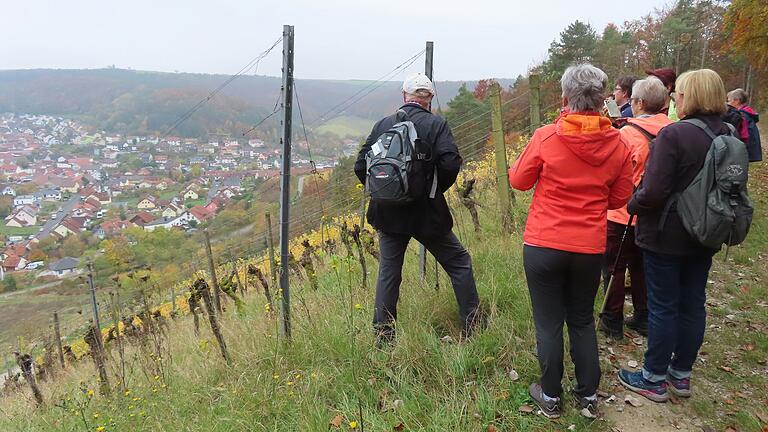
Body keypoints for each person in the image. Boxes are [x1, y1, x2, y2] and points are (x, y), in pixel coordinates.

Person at [509, 64, 633, 419]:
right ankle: (588, 396)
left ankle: (550, 397)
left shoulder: (546, 136)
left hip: (544, 243)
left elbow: (518, 180)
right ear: (602, 99)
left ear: (565, 98)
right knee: (580, 320)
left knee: (548, 321)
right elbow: (619, 198)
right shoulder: (619, 143)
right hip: (589, 247)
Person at [618, 69, 729, 402]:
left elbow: (653, 191)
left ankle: (652, 377)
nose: (674, 99)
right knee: (692, 303)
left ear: (689, 97)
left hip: (667, 234)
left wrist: (632, 201)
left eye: (678, 94)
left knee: (663, 306)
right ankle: (681, 375)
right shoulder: (726, 134)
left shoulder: (675, 135)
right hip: (707, 231)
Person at [354, 73, 481, 345]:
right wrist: (432, 191)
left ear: (404, 97)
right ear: (430, 99)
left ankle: (383, 339)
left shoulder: (382, 125)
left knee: (389, 273)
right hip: (427, 213)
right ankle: (473, 328)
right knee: (459, 263)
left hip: (387, 214)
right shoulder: (436, 125)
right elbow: (450, 164)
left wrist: (384, 192)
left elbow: (360, 166)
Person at [599, 77, 673, 340]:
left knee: (614, 267)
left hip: (622, 212)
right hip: (657, 214)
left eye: (632, 100)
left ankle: (612, 319)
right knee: (643, 266)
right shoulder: (672, 130)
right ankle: (643, 315)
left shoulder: (626, 134)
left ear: (640, 103)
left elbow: (611, 173)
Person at [727, 88, 762, 162]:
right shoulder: (747, 112)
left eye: (729, 100)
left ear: (737, 101)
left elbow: (741, 134)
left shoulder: (741, 115)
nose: (728, 103)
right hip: (749, 148)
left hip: (746, 149)